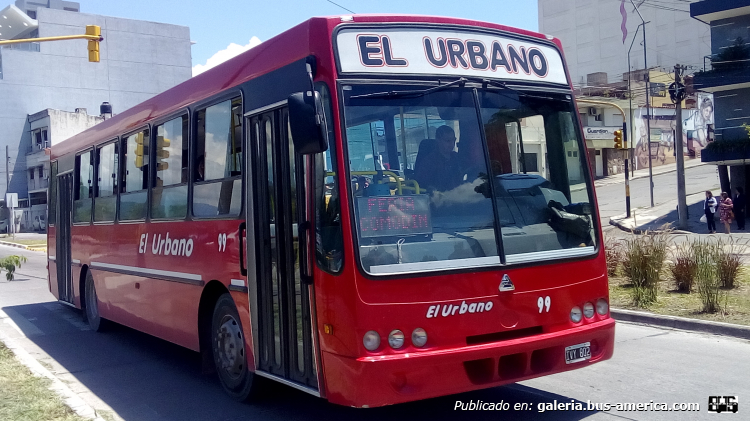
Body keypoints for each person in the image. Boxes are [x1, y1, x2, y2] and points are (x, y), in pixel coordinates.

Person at [413, 125, 463, 191]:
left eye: (453, 140)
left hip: (460, 196)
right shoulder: (429, 162)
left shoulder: (457, 158)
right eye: (447, 141)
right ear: (438, 140)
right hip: (438, 198)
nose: (452, 144)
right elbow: (422, 184)